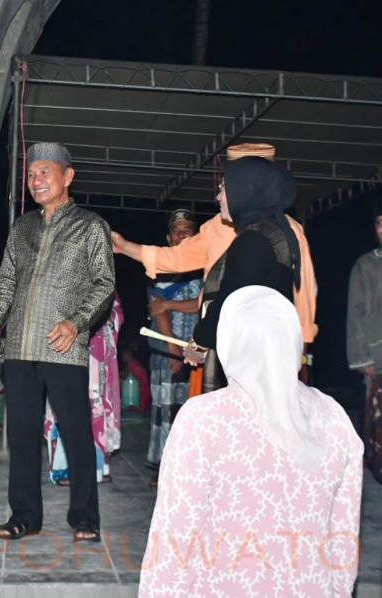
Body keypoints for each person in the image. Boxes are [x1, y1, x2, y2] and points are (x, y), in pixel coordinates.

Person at [139, 286, 363, 597]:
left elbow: (175, 537)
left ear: (231, 341)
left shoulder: (204, 419)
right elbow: (343, 538)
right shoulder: (334, 418)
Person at [0, 142, 115, 543]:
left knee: (75, 433)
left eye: (45, 172)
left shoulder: (91, 226)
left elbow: (104, 283)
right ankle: (24, 516)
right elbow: (6, 282)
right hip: (19, 346)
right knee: (21, 436)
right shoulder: (22, 227)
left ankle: (85, 517)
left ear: (67, 177)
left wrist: (76, 324)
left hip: (62, 346)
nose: (36, 181)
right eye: (32, 173)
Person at [111, 143, 317, 392]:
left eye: (227, 185)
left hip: (251, 349)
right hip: (220, 343)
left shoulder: (281, 232)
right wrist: (125, 247)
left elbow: (300, 292)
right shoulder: (217, 227)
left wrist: (301, 350)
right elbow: (176, 258)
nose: (218, 195)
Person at [183, 156, 301, 368]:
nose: (218, 196)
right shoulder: (275, 232)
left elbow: (231, 299)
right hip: (270, 355)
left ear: (246, 189)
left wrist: (199, 343)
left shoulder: (253, 239)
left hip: (253, 360)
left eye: (224, 188)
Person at [145, 209, 202, 477]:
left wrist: (169, 303)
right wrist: (173, 349)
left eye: (187, 229)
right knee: (165, 415)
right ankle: (163, 472)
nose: (182, 234)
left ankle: (188, 472)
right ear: (169, 238)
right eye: (177, 230)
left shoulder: (206, 267)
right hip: (168, 353)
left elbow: (205, 305)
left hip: (200, 354)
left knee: (193, 416)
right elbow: (157, 308)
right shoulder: (161, 268)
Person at [44, 295, 123, 485]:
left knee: (97, 409)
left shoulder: (103, 274)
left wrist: (110, 319)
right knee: (66, 406)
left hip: (98, 353)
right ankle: (64, 468)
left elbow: (117, 310)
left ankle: (96, 467)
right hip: (68, 349)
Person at [347, 205, 382, 483]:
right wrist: (362, 357)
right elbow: (356, 313)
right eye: (380, 223)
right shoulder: (366, 265)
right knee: (376, 420)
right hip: (377, 353)